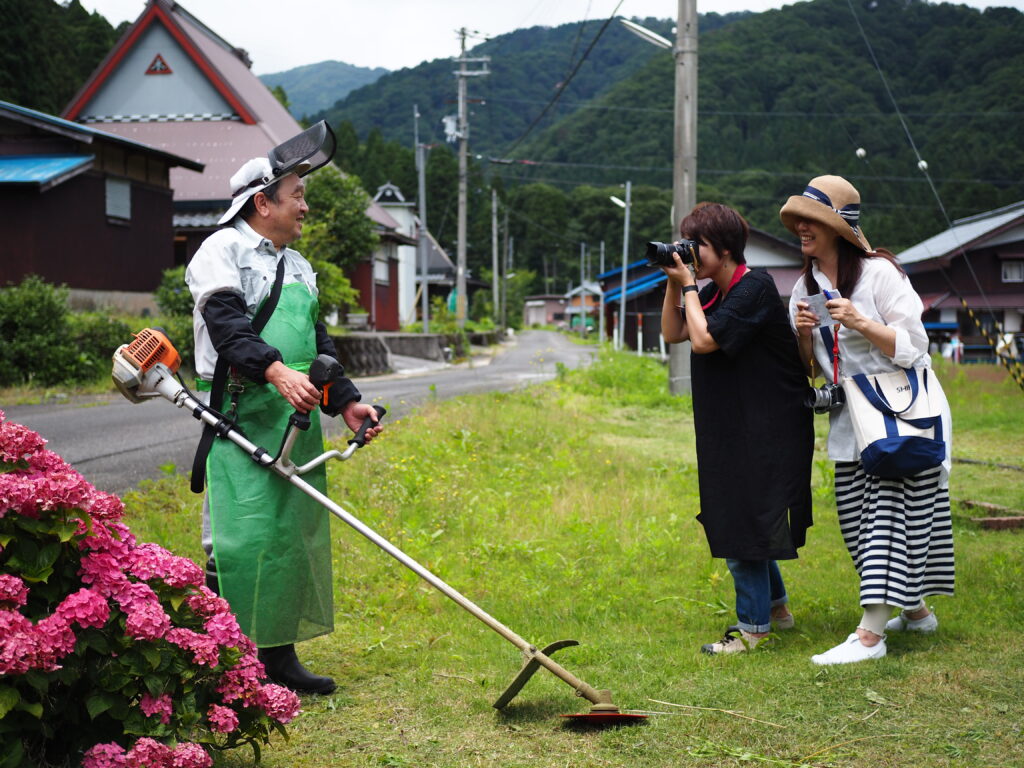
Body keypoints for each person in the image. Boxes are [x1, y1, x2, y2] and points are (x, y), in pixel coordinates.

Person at [185, 144, 382, 694]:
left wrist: (343, 400)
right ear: (261, 203)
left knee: (288, 536)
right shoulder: (219, 251)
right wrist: (274, 372)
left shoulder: (298, 265)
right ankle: (222, 658)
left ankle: (277, 658)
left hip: (296, 410)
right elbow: (226, 327)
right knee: (237, 537)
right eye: (297, 196)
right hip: (240, 413)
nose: (305, 206)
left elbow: (316, 341)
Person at [784, 175, 954, 665]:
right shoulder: (805, 286)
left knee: (888, 523)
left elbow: (914, 347)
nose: (801, 228)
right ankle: (917, 613)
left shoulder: (881, 275)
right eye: (799, 220)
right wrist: (802, 335)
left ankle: (870, 638)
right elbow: (812, 366)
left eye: (812, 220)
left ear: (839, 228)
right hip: (849, 424)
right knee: (858, 528)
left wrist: (859, 320)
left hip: (901, 418)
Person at [660, 202, 814, 655]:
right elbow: (674, 333)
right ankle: (778, 611)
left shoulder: (755, 287)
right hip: (732, 426)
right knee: (741, 514)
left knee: (740, 518)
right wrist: (676, 284)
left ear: (724, 249)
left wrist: (687, 283)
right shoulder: (709, 293)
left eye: (696, 246)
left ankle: (753, 630)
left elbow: (705, 341)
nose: (689, 254)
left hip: (767, 426)